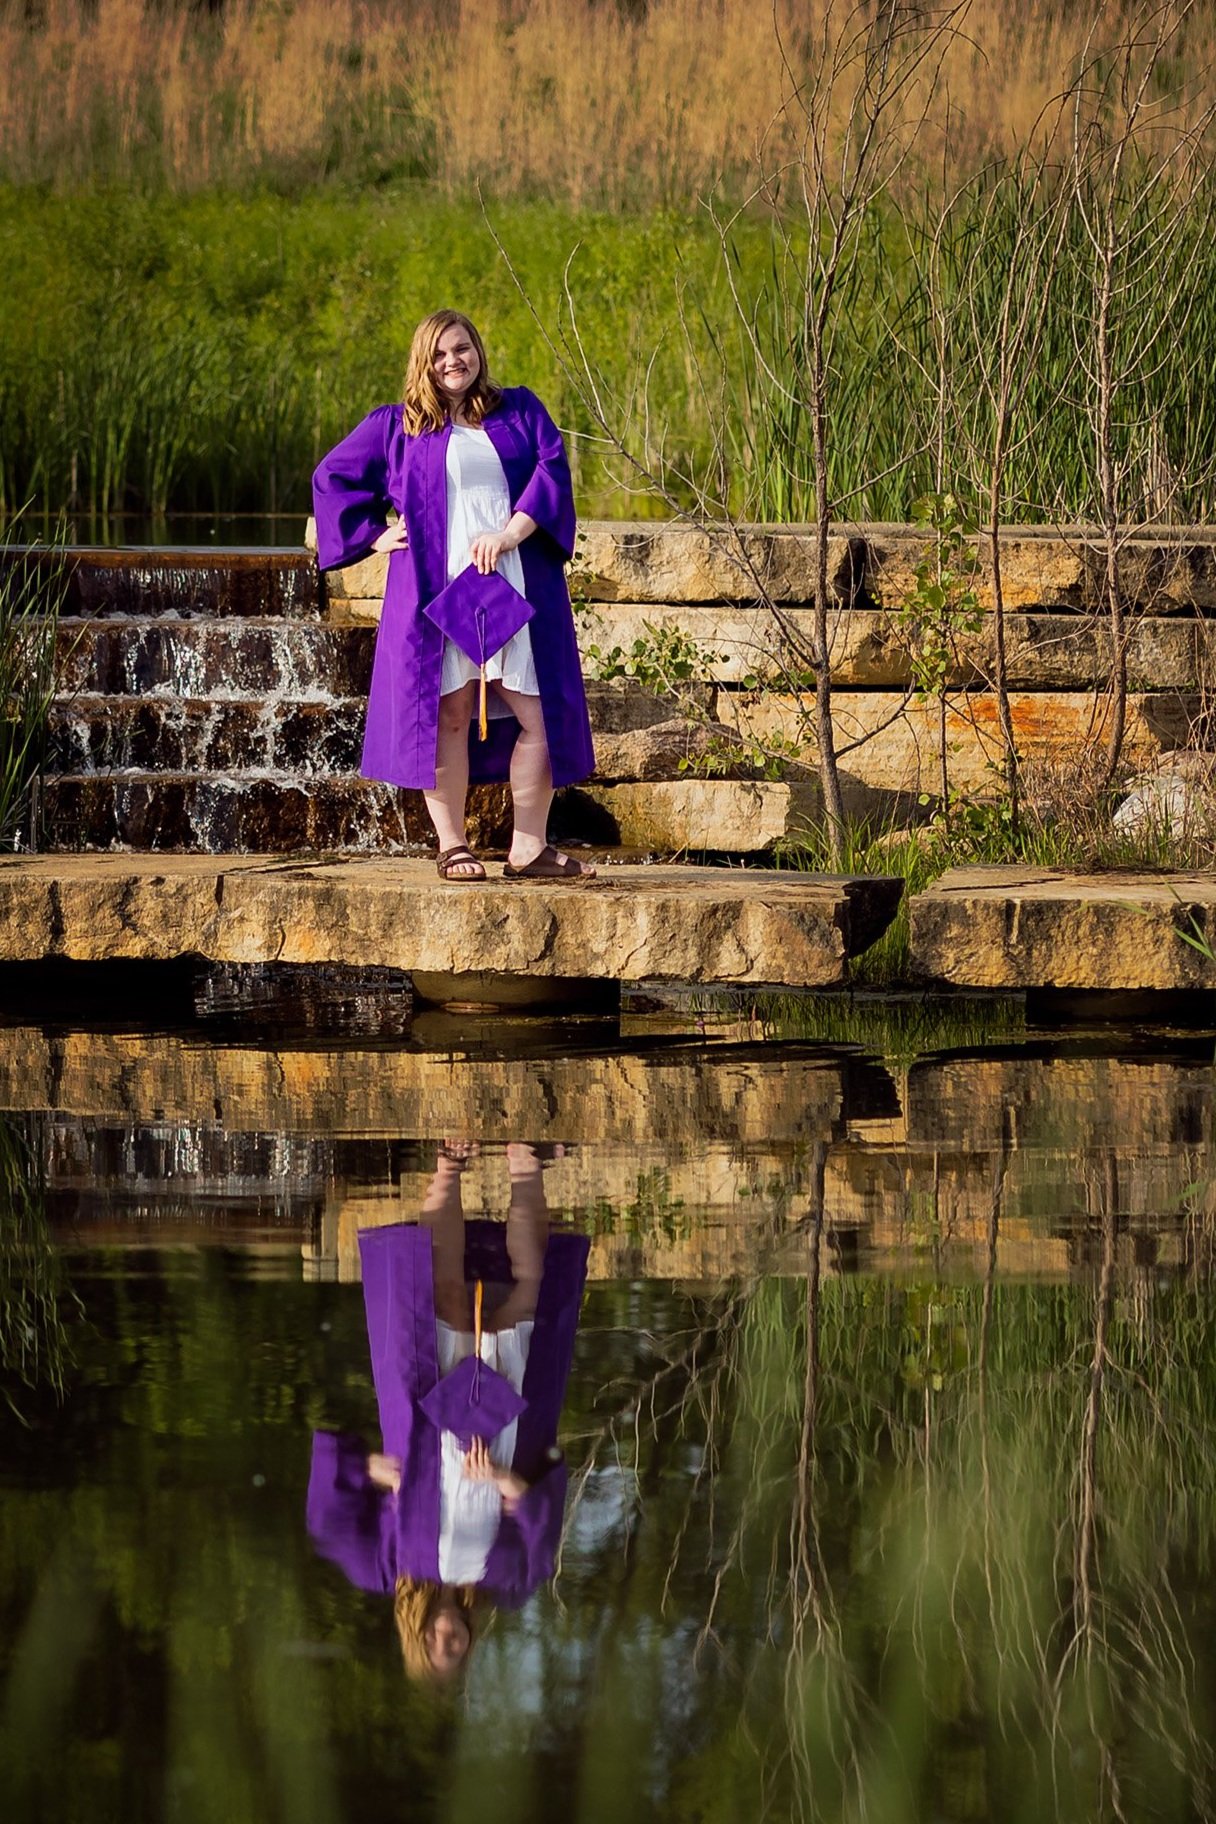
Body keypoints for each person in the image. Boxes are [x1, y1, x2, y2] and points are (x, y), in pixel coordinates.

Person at [312, 310, 597, 882]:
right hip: (436, 592)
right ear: (424, 361)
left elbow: (552, 470)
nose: (453, 362)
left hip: (513, 584)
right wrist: (373, 534)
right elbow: (333, 476)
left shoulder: (518, 411)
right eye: (439, 354)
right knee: (451, 713)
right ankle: (453, 844)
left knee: (540, 716)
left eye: (462, 348)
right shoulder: (398, 427)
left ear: (478, 350)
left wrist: (509, 534)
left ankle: (528, 846)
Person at [306, 1142, 590, 1685]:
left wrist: (369, 1470)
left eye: (435, 1646)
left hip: (424, 1417)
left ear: (416, 1638)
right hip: (503, 1428)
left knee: (444, 1296)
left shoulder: (385, 1570)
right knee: (526, 1294)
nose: (448, 1639)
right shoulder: (508, 1584)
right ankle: (525, 1165)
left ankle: (450, 1166)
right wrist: (504, 1479)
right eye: (455, 1651)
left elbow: (326, 1520)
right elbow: (543, 1528)